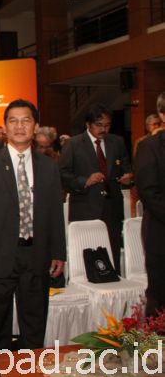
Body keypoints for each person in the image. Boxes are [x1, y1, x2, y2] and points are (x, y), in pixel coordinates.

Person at [0, 99, 66, 361]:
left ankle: (29, 373)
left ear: (36, 127)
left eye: (26, 120)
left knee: (34, 323)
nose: (19, 126)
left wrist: (58, 252)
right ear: (4, 127)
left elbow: (55, 213)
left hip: (36, 254)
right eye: (13, 121)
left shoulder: (48, 166)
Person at [59, 104, 133, 273]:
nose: (103, 129)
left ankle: (114, 281)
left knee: (113, 254)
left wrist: (128, 178)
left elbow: (126, 168)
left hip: (112, 207)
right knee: (88, 257)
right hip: (85, 206)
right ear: (88, 124)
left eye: (107, 125)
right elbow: (62, 174)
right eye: (99, 125)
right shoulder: (73, 144)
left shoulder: (117, 142)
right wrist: (85, 181)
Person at [135, 92, 165, 317]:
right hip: (161, 233)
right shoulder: (150, 146)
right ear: (162, 114)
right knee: (160, 297)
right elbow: (149, 193)